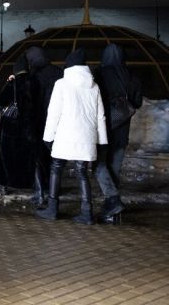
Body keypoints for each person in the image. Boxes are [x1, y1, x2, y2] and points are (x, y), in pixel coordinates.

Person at [37, 49, 108, 225]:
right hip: (86, 136)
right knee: (82, 172)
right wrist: (102, 141)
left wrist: (48, 136)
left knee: (56, 168)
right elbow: (101, 115)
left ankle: (52, 209)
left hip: (64, 135)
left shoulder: (61, 84)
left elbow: (53, 113)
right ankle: (87, 212)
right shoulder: (94, 86)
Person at [94, 43, 143, 223]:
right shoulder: (132, 76)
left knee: (98, 165)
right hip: (122, 131)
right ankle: (112, 209)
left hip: (103, 131)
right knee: (114, 168)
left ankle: (113, 200)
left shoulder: (99, 74)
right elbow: (137, 103)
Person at [25, 46, 63, 208]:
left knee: (39, 156)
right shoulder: (58, 71)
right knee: (54, 156)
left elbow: (32, 101)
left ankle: (41, 191)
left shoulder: (35, 75)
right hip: (58, 121)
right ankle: (53, 188)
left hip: (40, 121)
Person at [0, 56, 36, 193]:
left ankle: (4, 184)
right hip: (30, 125)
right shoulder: (34, 82)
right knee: (27, 156)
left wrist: (8, 83)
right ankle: (28, 183)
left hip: (11, 125)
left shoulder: (14, 83)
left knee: (6, 155)